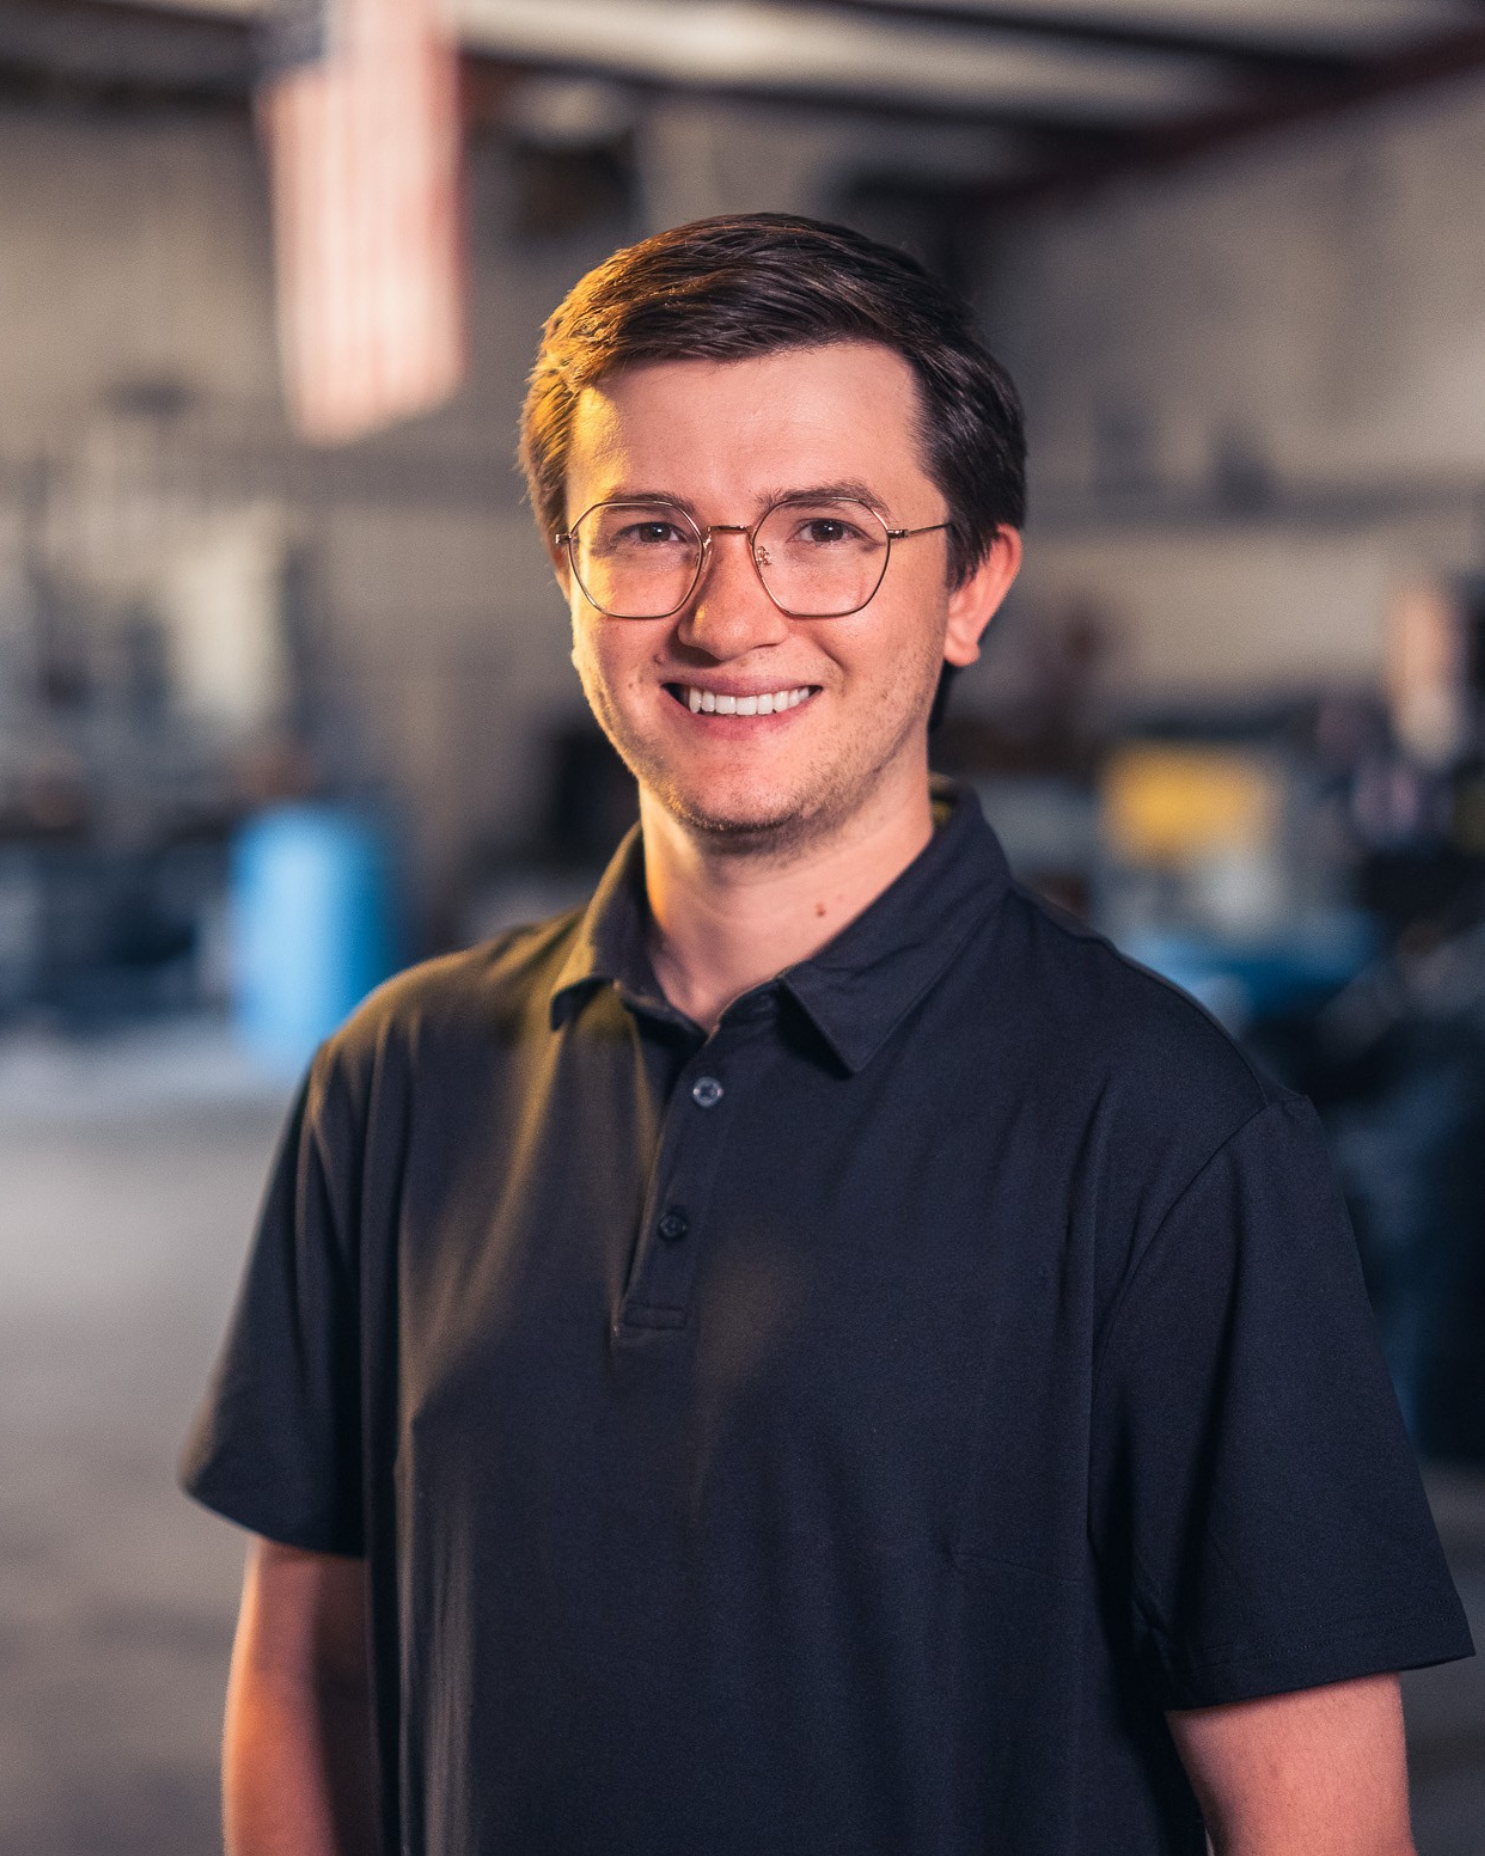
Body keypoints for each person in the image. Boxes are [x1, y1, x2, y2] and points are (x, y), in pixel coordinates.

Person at [183, 213, 1471, 1856]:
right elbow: (312, 1678)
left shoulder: (1173, 1140)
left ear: (971, 586)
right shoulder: (396, 1081)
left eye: (825, 530)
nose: (730, 617)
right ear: (569, 579)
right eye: (652, 531)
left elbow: (1321, 1832)